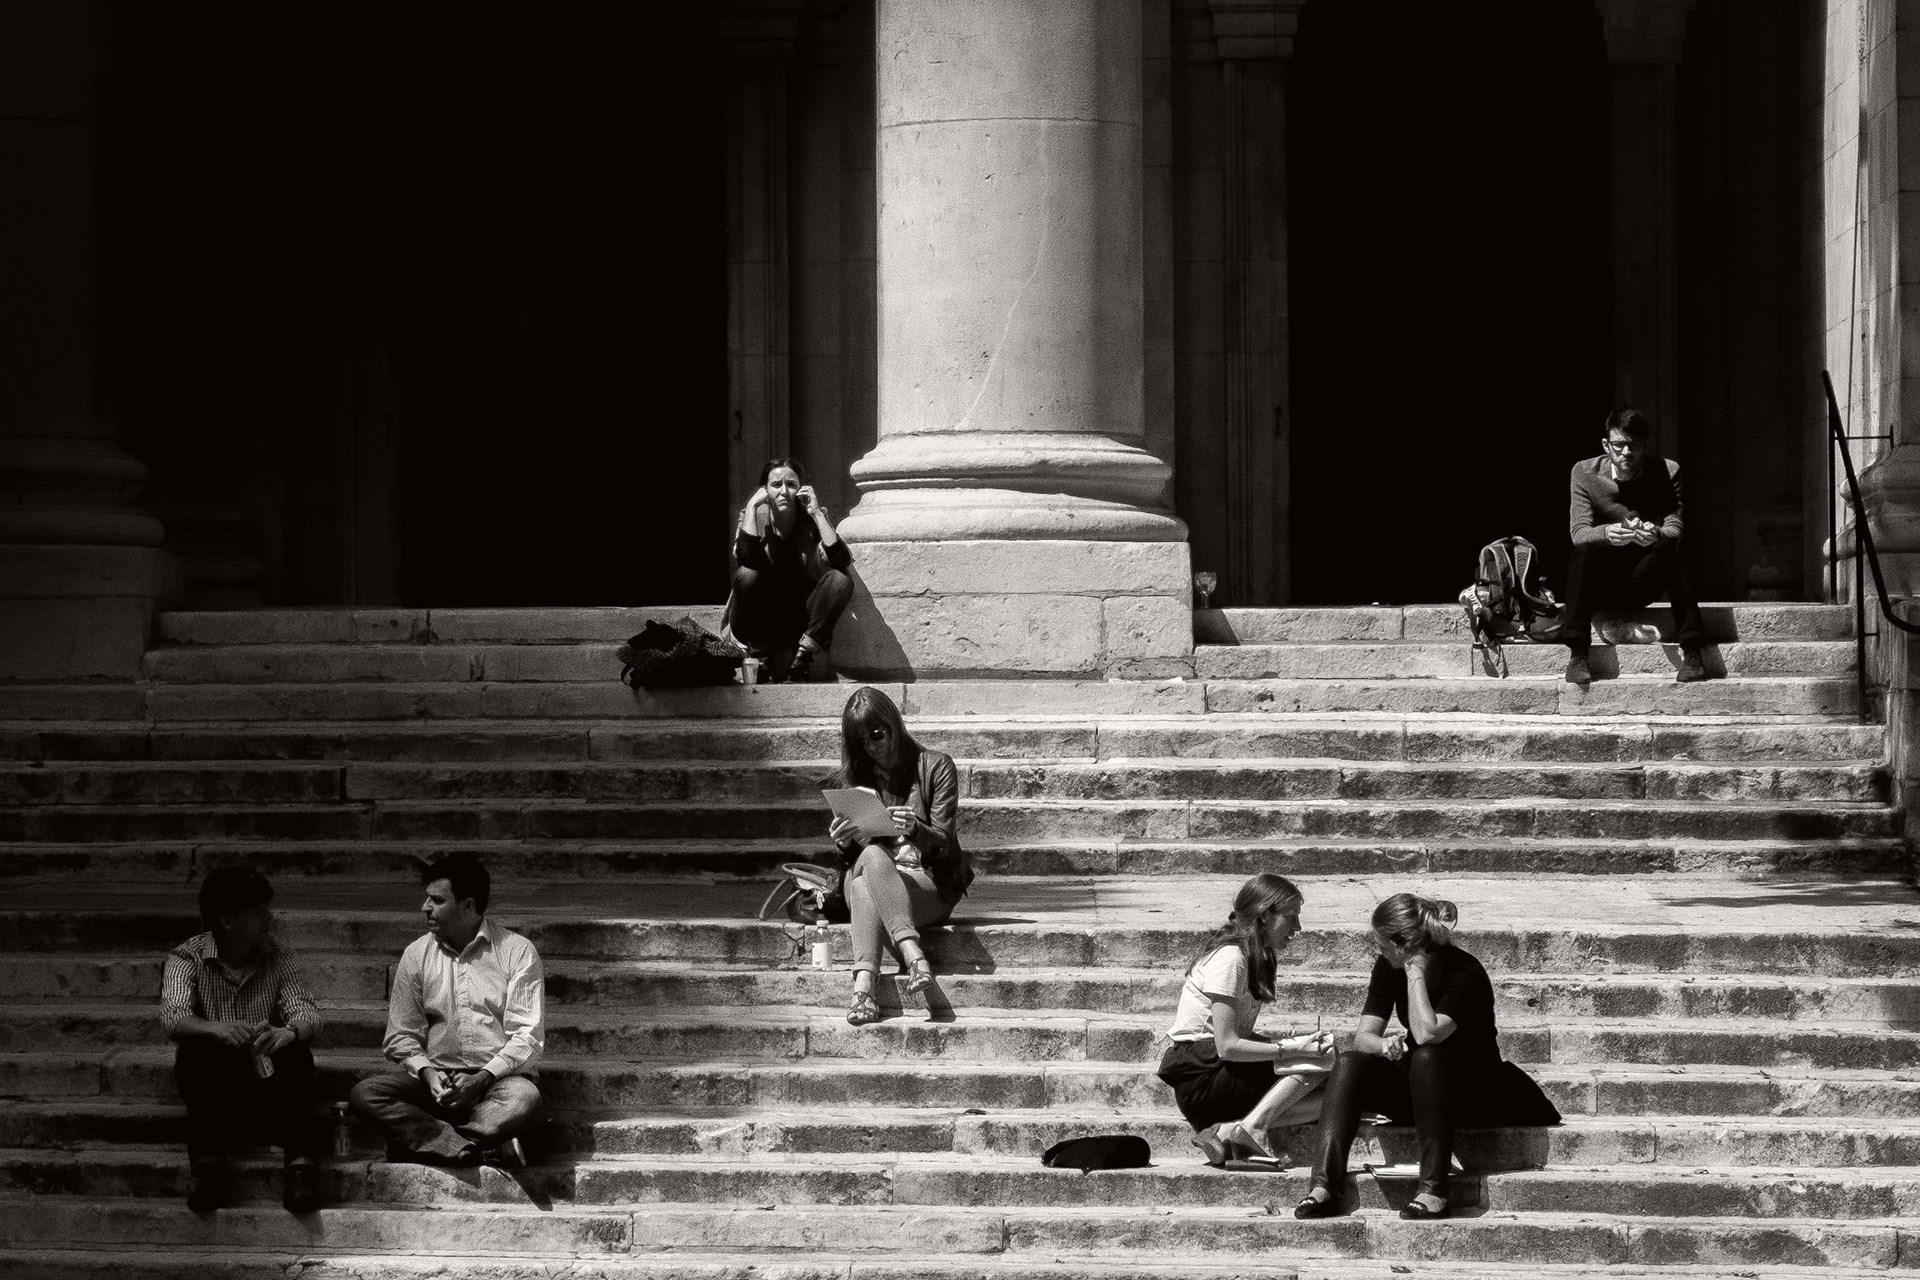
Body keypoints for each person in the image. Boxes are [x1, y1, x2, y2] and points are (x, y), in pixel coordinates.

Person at [1294, 894, 1558, 1221]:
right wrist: (1383, 1046)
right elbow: (1364, 1037)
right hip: (1423, 1092)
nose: (1380, 951)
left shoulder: (1465, 970)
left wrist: (1415, 972)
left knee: (1427, 1056)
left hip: (1473, 1091)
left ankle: (1434, 1191)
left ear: (1404, 944)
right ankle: (1324, 1186)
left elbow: (1427, 1034)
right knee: (1349, 1062)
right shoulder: (1388, 966)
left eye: (1383, 944)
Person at [350, 854, 545, 1167]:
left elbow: (527, 1037)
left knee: (524, 1097)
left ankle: (435, 1143)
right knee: (366, 1093)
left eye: (436, 900)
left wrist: (480, 1080)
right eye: (427, 899)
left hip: (495, 1082)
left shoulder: (517, 951)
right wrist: (428, 1074)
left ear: (467, 906)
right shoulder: (416, 954)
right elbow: (401, 1034)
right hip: (437, 1083)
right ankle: (484, 1148)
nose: (425, 907)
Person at [160, 866, 323, 1214]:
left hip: (268, 1085)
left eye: (267, 907)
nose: (269, 917)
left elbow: (307, 1014)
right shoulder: (187, 957)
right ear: (228, 921)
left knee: (297, 1053)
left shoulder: (278, 955)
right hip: (217, 1088)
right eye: (257, 911)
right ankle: (208, 1171)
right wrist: (216, 1028)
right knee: (196, 1053)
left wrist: (287, 1032)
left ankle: (302, 1171)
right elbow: (173, 1017)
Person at [1157, 874, 1336, 1166]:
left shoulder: (1260, 956)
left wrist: (1292, 1044)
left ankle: (1231, 1130)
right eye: (1291, 918)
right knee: (1325, 1059)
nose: (1298, 927)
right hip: (1204, 1080)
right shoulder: (1231, 957)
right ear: (1265, 915)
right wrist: (1290, 1048)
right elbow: (1227, 1046)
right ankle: (1253, 1127)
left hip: (1222, 1074)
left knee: (1336, 1096)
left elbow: (1237, 1039)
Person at [828, 687, 973, 1025]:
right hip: (876, 867)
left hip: (926, 884)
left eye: (876, 735)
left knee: (865, 887)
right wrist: (845, 841)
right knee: (875, 857)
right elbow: (855, 858)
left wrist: (914, 829)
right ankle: (913, 954)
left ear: (893, 725)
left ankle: (863, 989)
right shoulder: (856, 776)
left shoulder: (935, 766)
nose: (871, 746)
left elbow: (944, 844)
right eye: (860, 741)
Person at [1564, 407, 1714, 686]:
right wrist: (1608, 533)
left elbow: (1675, 526)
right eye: (1619, 445)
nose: (1626, 453)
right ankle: (1578, 655)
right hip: (1602, 581)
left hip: (1645, 576)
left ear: (1645, 445)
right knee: (1582, 552)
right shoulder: (1584, 472)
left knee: (1676, 547)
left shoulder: (1667, 471)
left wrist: (1655, 534)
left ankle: (1692, 652)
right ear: (1606, 445)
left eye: (1634, 445)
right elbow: (1579, 532)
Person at [731, 457, 853, 682]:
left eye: (791, 484)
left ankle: (802, 659)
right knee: (747, 575)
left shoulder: (811, 517)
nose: (784, 491)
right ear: (765, 489)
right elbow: (745, 559)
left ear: (800, 489)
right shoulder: (753, 516)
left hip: (801, 620)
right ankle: (761, 658)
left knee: (839, 580)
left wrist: (816, 514)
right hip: (757, 619)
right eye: (776, 485)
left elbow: (841, 560)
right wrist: (751, 506)